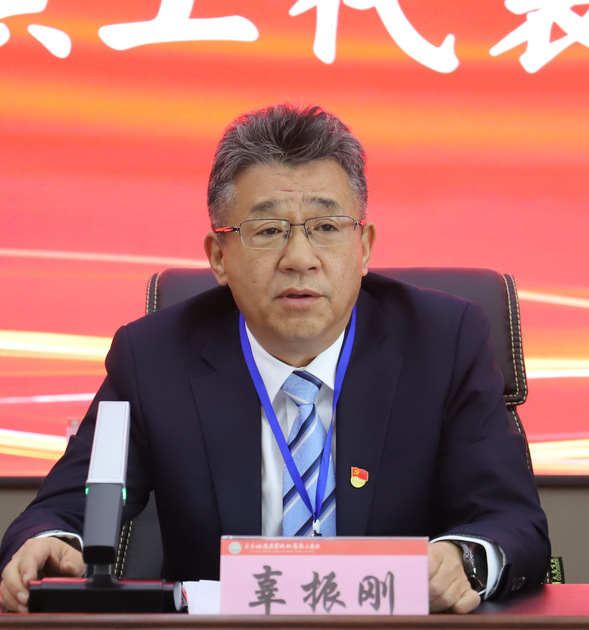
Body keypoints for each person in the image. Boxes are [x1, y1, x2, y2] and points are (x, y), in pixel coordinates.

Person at [0, 103, 550, 614]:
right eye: (268, 231)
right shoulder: (154, 357)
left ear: (363, 247)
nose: (300, 259)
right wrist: (47, 543)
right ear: (219, 256)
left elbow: (511, 520)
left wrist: (462, 560)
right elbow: (65, 508)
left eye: (326, 228)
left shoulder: (443, 343)